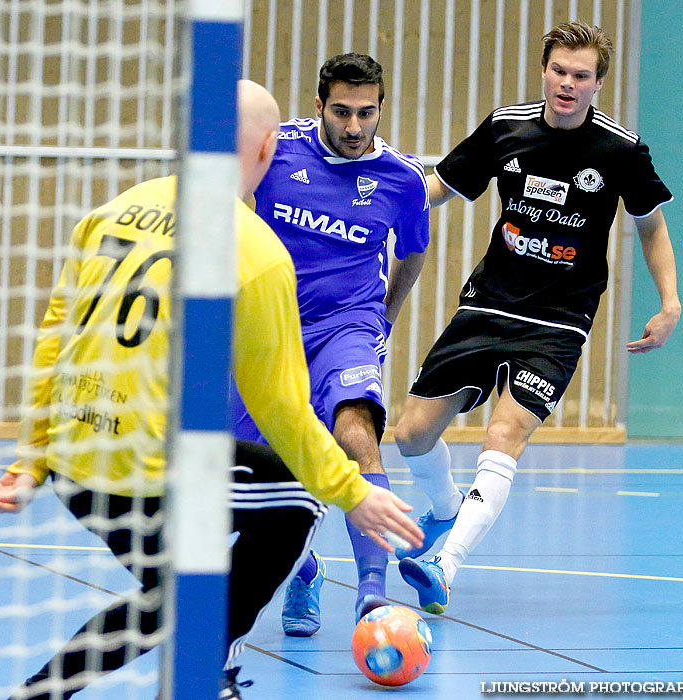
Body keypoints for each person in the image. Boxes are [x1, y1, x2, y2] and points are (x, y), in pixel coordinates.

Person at [0, 80, 422, 700]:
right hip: (149, 463)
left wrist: (32, 461)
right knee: (298, 497)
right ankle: (205, 667)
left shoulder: (113, 211)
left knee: (176, 598)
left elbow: (56, 335)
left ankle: (62, 691)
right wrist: (352, 491)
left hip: (77, 460)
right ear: (270, 150)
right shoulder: (256, 251)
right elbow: (282, 408)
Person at [391, 21, 681, 614]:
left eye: (581, 76)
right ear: (544, 70)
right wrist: (370, 201)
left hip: (559, 317)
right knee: (411, 435)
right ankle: (445, 509)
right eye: (559, 71)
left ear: (598, 83)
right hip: (487, 301)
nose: (567, 84)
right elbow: (440, 186)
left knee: (504, 434)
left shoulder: (620, 151)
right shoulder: (505, 127)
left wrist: (669, 301)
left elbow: (650, 225)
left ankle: (444, 566)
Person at [232, 52, 430, 634]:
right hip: (267, 327)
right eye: (340, 111)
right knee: (254, 468)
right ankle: (302, 567)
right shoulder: (278, 150)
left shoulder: (401, 178)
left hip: (347, 324)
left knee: (355, 433)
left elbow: (412, 252)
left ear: (381, 109)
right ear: (319, 104)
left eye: (365, 113)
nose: (352, 127)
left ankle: (373, 597)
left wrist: (382, 320)